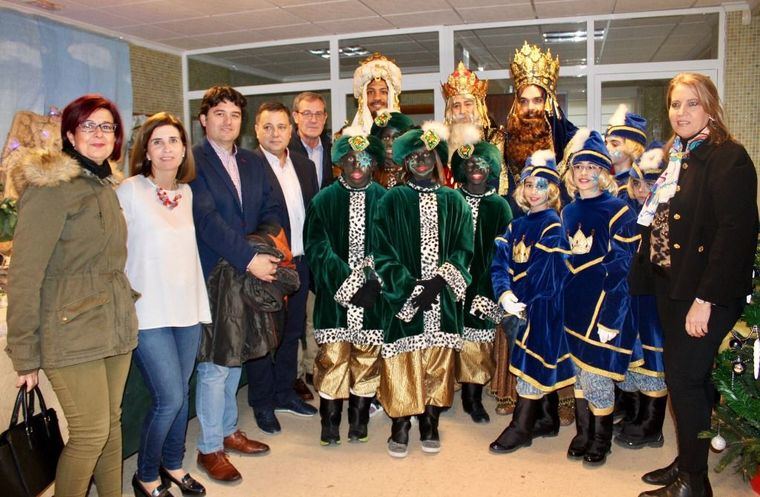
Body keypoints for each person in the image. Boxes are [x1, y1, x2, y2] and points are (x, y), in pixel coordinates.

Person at [5, 94, 138, 497]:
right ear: (69, 133)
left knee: (112, 425)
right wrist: (24, 352)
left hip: (113, 322)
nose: (100, 134)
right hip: (70, 326)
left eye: (108, 126)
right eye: (89, 126)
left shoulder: (103, 183)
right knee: (89, 434)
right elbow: (25, 274)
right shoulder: (51, 188)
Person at [632, 73, 758, 497]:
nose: (681, 112)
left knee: (684, 379)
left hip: (705, 291)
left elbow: (734, 235)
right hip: (674, 285)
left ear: (710, 107)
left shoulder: (728, 157)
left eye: (691, 104)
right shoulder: (679, 154)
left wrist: (705, 299)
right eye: (674, 104)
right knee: (692, 380)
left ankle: (694, 483)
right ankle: (689, 460)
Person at [117, 112, 210, 497]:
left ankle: (173, 463)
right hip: (148, 312)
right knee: (168, 397)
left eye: (174, 140)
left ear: (184, 148)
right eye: (158, 142)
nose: (167, 148)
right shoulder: (129, 190)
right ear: (146, 151)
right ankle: (146, 474)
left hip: (187, 307)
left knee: (183, 392)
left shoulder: (188, 193)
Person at [191, 86, 277, 482]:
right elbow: (206, 221)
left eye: (234, 115)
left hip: (248, 272)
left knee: (235, 356)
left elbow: (271, 210)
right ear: (204, 119)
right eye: (219, 113)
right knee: (214, 364)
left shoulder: (252, 161)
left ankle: (227, 430)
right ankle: (209, 448)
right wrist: (249, 258)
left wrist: (262, 247)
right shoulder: (193, 160)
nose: (227, 121)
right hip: (213, 275)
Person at [373, 122, 473, 458]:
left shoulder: (454, 199)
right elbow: (381, 249)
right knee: (402, 360)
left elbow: (464, 247)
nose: (420, 161)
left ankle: (430, 421)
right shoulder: (391, 199)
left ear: (436, 158)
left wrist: (440, 280)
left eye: (426, 154)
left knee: (438, 363)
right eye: (413, 155)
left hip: (442, 296)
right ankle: (400, 423)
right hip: (402, 298)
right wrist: (409, 286)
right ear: (404, 161)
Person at [492, 41, 578, 420]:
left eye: (536, 99)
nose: (530, 108)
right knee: (518, 315)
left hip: (560, 239)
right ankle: (522, 398)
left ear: (549, 99)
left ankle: (558, 399)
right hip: (519, 233)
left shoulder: (569, 137)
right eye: (523, 100)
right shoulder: (504, 137)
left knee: (556, 313)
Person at [561, 129, 640, 467]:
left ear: (604, 173)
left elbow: (624, 267)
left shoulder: (620, 211)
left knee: (597, 374)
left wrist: (611, 317)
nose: (584, 173)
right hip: (573, 305)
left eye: (592, 167)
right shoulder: (567, 211)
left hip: (604, 305)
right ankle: (583, 432)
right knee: (579, 373)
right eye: (579, 166)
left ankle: (601, 438)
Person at [304, 127, 387, 446]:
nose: (357, 165)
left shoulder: (385, 199)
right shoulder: (324, 200)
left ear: (373, 163)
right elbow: (316, 246)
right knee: (332, 358)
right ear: (340, 162)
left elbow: (392, 248)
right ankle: (330, 421)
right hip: (334, 297)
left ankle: (359, 419)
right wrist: (347, 281)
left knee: (367, 357)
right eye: (350, 159)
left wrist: (371, 281)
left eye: (364, 159)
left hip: (373, 297)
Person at [489, 150, 575, 453]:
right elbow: (500, 263)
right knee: (527, 360)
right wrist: (504, 293)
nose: (533, 191)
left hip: (542, 308)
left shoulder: (553, 226)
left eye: (541, 185)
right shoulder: (517, 225)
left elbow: (546, 276)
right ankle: (547, 419)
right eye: (528, 184)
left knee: (531, 364)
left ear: (552, 191)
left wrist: (522, 301)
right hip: (516, 306)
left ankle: (521, 426)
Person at [248, 101, 320, 434]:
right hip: (268, 264)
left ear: (291, 130)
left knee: (292, 333)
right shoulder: (248, 166)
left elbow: (314, 212)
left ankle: (283, 393)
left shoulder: (304, 166)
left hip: (302, 262)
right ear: (256, 131)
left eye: (281, 127)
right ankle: (262, 403)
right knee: (265, 337)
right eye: (267, 127)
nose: (275, 133)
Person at [450, 126, 513, 424]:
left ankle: (473, 398)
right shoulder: (451, 200)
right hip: (450, 283)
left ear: (491, 169)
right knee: (450, 339)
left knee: (478, 344)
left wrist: (488, 289)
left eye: (482, 164)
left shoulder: (499, 206)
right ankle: (445, 391)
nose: (475, 168)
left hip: (485, 284)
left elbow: (505, 251)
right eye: (470, 164)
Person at [613, 143, 668, 450]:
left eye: (651, 184)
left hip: (653, 298)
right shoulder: (628, 210)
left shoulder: (667, 213)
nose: (643, 189)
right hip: (630, 296)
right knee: (632, 351)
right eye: (637, 183)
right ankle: (634, 411)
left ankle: (652, 423)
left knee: (653, 355)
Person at [289, 91, 334, 402]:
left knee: (316, 313)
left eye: (318, 113)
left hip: (324, 245)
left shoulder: (334, 150)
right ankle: (293, 377)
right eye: (306, 113)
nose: (313, 119)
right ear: (296, 117)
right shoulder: (284, 151)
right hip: (294, 244)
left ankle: (312, 369)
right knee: (293, 314)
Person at [442, 61, 505, 189]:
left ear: (478, 107)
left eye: (468, 104)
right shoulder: (441, 142)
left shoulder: (494, 138)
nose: (462, 111)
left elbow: (500, 183)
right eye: (456, 106)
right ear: (450, 111)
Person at [351, 53, 402, 133]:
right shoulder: (352, 139)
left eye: (383, 92)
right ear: (363, 98)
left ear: (391, 97)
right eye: (370, 92)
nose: (377, 97)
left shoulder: (404, 135)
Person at [605, 104, 647, 198]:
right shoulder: (606, 181)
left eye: (615, 144)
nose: (607, 148)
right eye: (606, 143)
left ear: (632, 147)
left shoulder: (635, 187)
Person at [369, 109, 414, 188]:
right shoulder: (369, 173)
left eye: (396, 138)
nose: (389, 143)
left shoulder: (415, 173)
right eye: (385, 138)